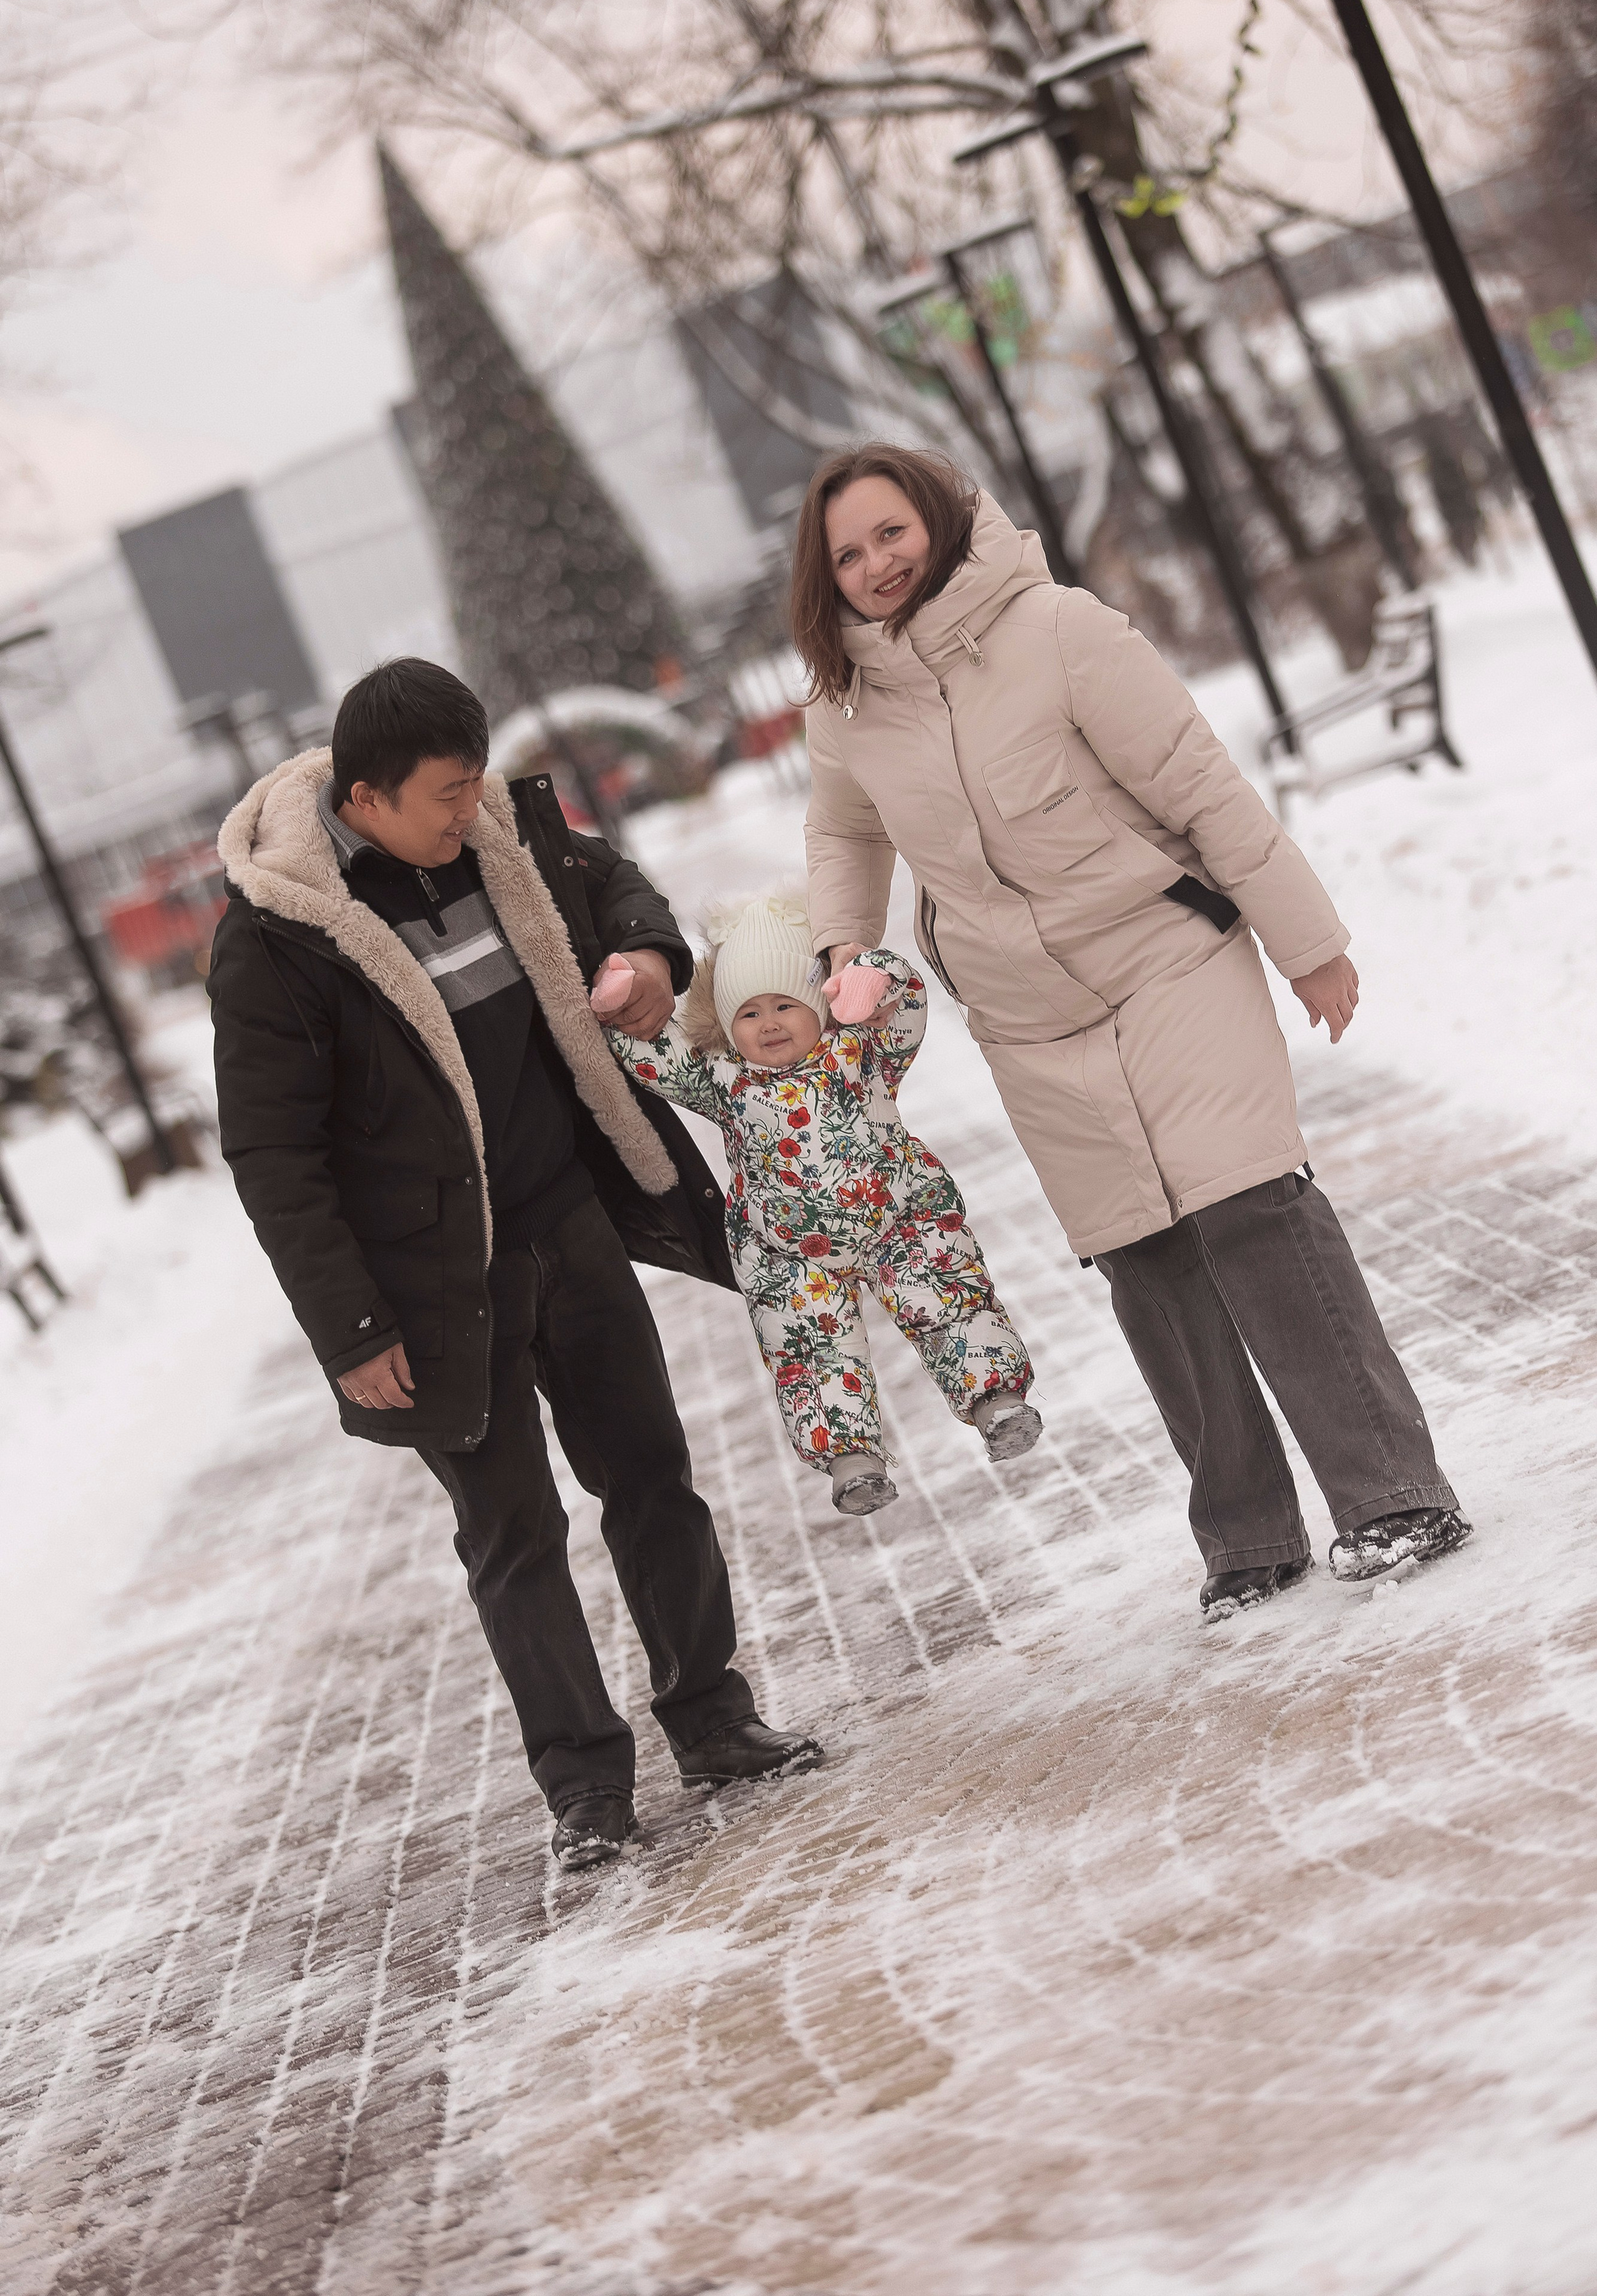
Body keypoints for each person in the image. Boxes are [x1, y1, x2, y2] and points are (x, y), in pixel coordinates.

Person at [792, 444, 1471, 1618]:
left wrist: (1306, 940)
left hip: (1167, 955)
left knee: (1249, 1203)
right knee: (1145, 1253)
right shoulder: (846, 708)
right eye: (848, 553)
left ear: (943, 518)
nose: (876, 565)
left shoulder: (1060, 628)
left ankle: (1392, 1494)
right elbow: (844, 837)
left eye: (891, 532)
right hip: (1025, 1014)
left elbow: (1198, 782)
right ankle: (1250, 1537)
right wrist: (843, 949)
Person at [208, 659, 821, 1870]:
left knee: (652, 1475)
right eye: (443, 794)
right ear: (365, 797)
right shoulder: (279, 941)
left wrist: (645, 962)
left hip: (568, 1227)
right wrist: (349, 1330)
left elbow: (622, 894)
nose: (466, 811)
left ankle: (712, 1718)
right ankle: (586, 1791)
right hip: (432, 1290)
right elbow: (273, 1157)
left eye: (476, 782)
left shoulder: (501, 840)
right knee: (513, 1534)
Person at [599, 895, 1041, 1517]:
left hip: (897, 1220)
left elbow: (902, 1012)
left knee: (946, 1299)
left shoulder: (859, 1055)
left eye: (785, 1004)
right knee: (810, 1353)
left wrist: (877, 977)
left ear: (819, 1005)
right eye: (748, 1013)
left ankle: (995, 1401)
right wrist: (622, 1007)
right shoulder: (723, 1079)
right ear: (727, 1024)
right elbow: (659, 1057)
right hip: (789, 1255)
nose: (769, 1022)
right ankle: (851, 1461)